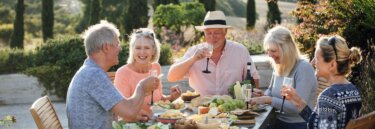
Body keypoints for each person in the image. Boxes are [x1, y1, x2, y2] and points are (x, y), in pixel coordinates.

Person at [66, 21, 160, 129]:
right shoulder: (94, 75)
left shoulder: (90, 71)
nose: (120, 48)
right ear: (106, 47)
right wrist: (142, 87)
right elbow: (129, 111)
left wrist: (135, 116)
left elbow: (123, 110)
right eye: (117, 44)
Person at [167, 10, 260, 96]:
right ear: (204, 34)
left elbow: (254, 80)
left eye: (217, 32)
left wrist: (244, 96)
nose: (212, 37)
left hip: (233, 107)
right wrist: (193, 59)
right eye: (208, 33)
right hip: (201, 108)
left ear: (225, 32)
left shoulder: (240, 51)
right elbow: (171, 77)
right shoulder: (193, 52)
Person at [281, 35, 362, 129]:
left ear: (332, 65)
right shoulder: (353, 91)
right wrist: (298, 102)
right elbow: (320, 123)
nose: (313, 62)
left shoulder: (328, 97)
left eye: (317, 58)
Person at [250, 26, 317, 129]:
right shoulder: (279, 65)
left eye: (273, 51)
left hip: (298, 125)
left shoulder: (303, 69)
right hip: (277, 121)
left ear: (287, 49)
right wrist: (262, 96)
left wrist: (268, 100)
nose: (270, 55)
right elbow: (271, 91)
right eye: (268, 51)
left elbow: (296, 107)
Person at [114, 28, 181, 117]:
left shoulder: (155, 67)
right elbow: (122, 110)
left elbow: (158, 99)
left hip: (157, 121)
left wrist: (171, 97)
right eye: (138, 48)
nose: (142, 52)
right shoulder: (122, 73)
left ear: (153, 51)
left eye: (147, 48)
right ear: (132, 50)